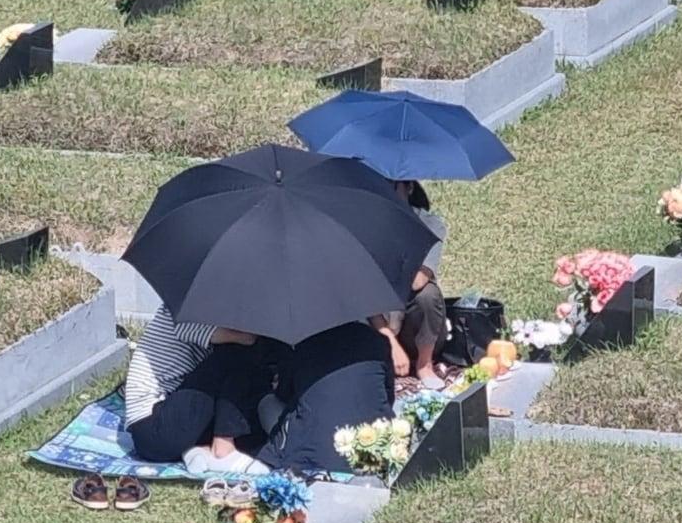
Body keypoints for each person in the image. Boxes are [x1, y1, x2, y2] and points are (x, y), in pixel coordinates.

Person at [124, 304, 271, 474]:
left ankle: (197, 452)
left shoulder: (203, 307)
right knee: (236, 352)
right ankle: (223, 449)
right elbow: (246, 339)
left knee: (251, 426)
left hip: (170, 426)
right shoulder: (180, 311)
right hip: (152, 424)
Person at [257, 321, 394, 476]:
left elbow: (285, 394)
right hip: (376, 449)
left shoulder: (303, 345)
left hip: (313, 457)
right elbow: (387, 394)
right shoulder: (377, 340)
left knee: (268, 404)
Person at [374, 181, 447, 390]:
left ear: (409, 187)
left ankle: (425, 364)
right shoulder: (369, 225)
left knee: (428, 294)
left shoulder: (431, 224)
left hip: (415, 322)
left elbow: (418, 281)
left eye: (392, 186)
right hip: (381, 316)